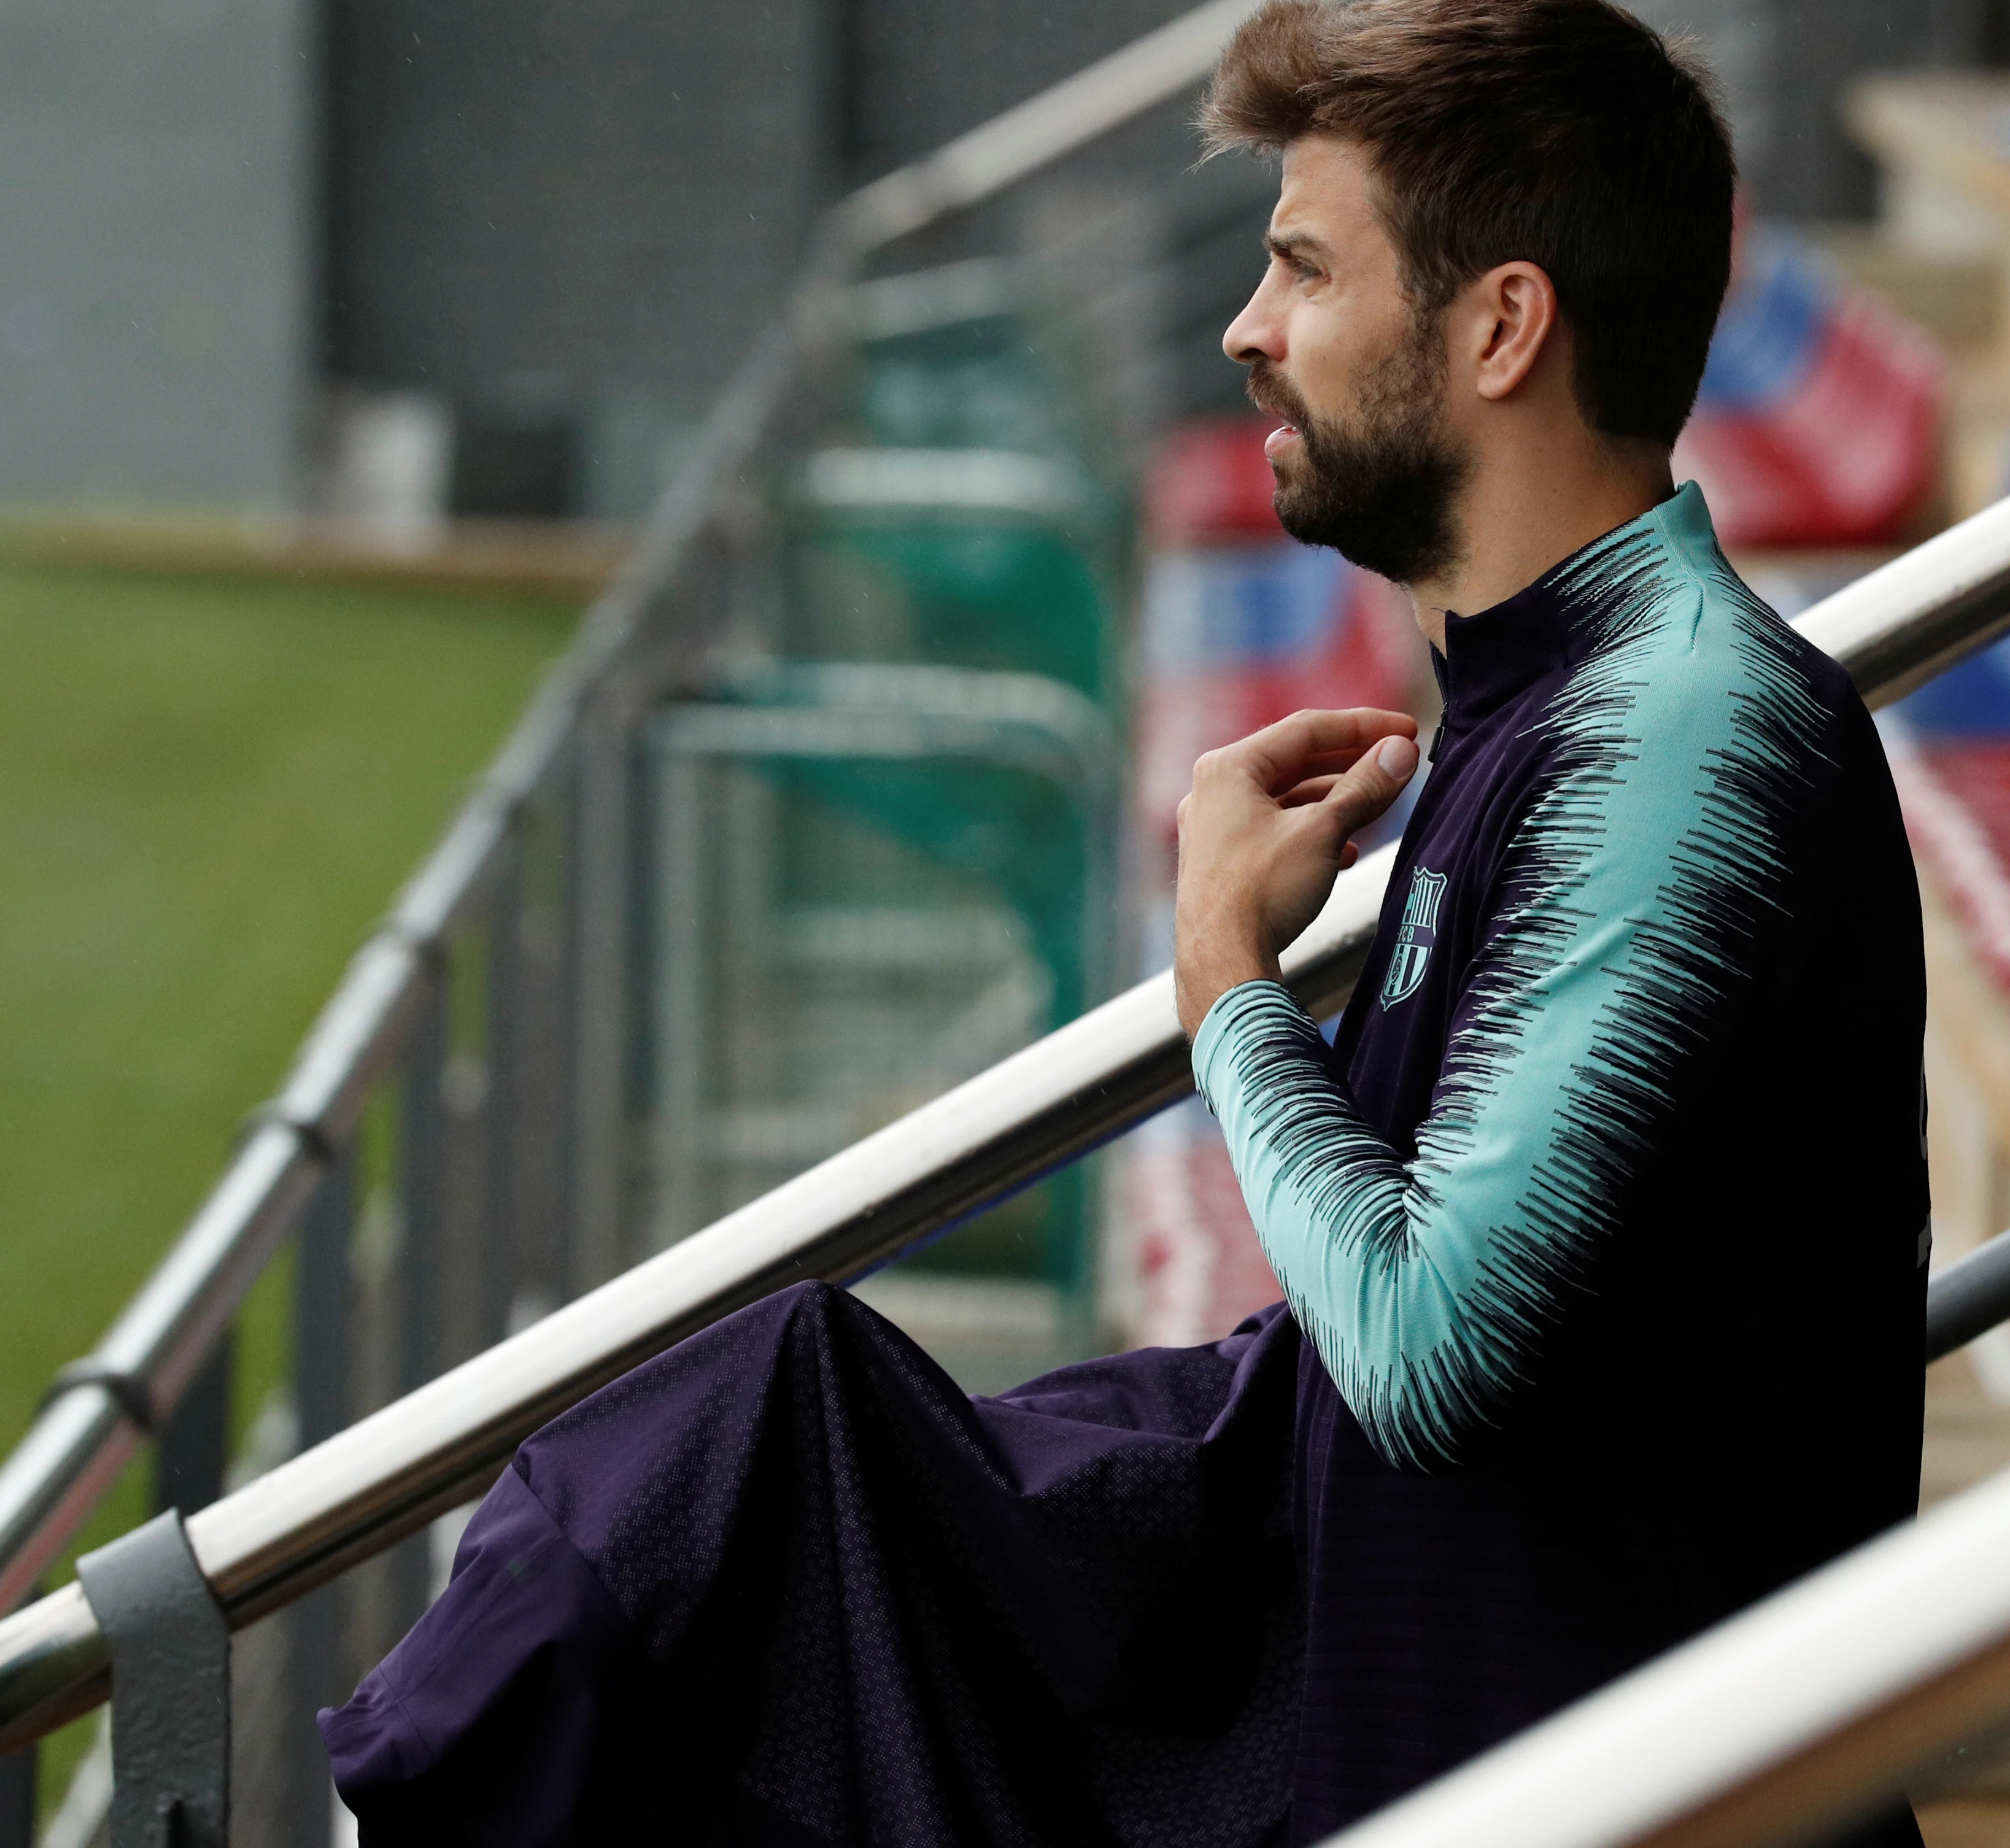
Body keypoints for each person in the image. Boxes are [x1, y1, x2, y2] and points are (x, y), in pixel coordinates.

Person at [317, 2, 1928, 1842]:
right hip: (1439, 1738)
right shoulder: (1560, 709)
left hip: (1581, 1790)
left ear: (1501, 326)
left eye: (1306, 269)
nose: (1247, 330)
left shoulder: (1679, 734)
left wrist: (1229, 979)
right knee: (748, 1454)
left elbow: (1422, 1348)